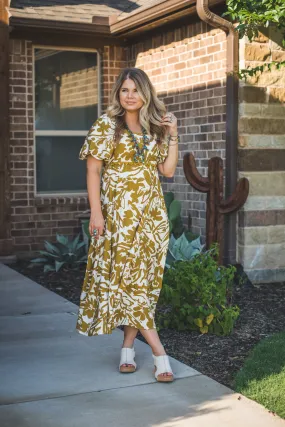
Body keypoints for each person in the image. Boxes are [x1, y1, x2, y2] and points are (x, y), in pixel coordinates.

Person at [76, 67, 179, 382]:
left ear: (145, 93)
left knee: (144, 283)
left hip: (152, 218)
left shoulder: (154, 128)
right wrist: (97, 212)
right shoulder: (106, 126)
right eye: (125, 90)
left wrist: (173, 134)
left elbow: (168, 170)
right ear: (118, 95)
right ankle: (160, 353)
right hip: (119, 217)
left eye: (136, 90)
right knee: (130, 280)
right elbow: (94, 171)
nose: (130, 95)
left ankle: (127, 349)